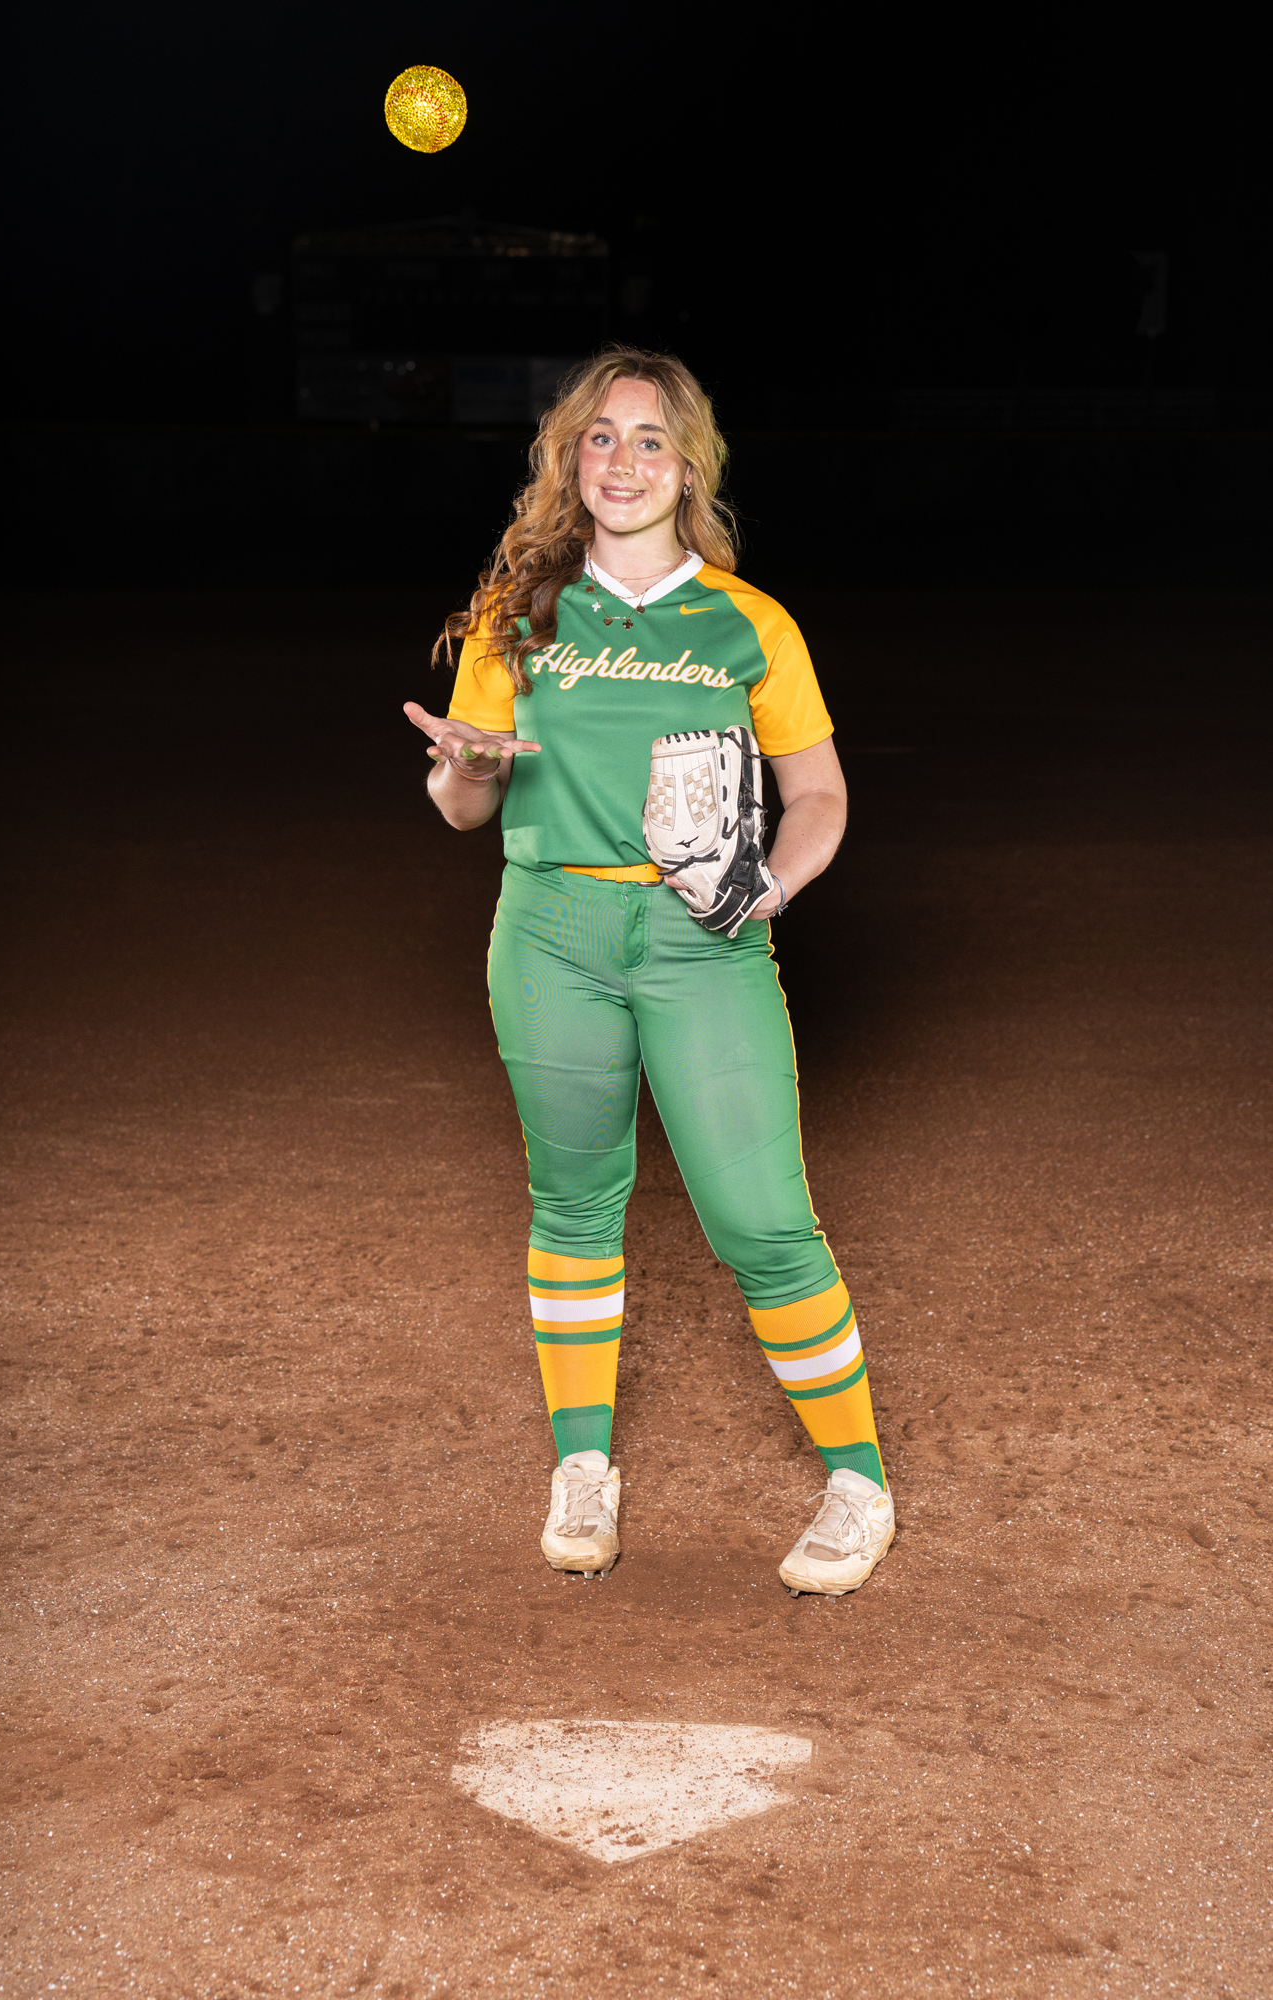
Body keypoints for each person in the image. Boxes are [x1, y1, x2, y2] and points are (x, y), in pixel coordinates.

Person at [404, 347, 893, 1597]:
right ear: (571, 457)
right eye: (600, 437)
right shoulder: (517, 614)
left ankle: (858, 1481)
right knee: (573, 1205)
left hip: (700, 942)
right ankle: (582, 1465)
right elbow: (463, 805)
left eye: (650, 441)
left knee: (762, 1217)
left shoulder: (748, 622)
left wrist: (770, 886)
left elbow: (820, 794)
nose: (622, 462)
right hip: (549, 933)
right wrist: (463, 768)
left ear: (689, 469)